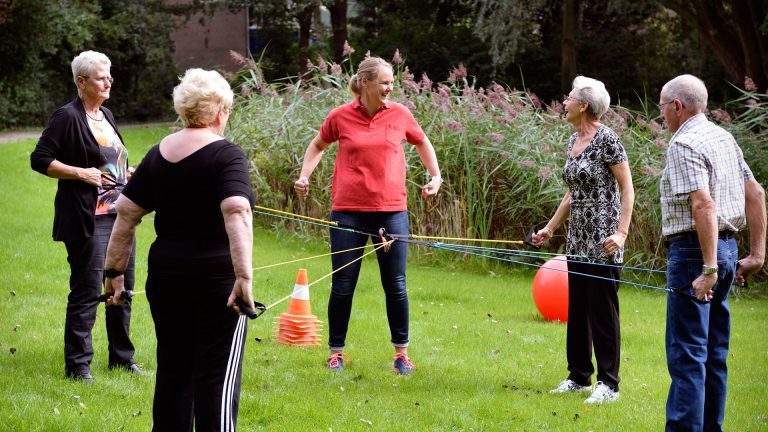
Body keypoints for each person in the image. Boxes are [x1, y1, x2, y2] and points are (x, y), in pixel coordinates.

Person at [104, 68, 255, 430]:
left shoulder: (159, 153)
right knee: (216, 375)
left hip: (167, 279)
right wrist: (244, 277)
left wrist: (113, 274)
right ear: (219, 111)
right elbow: (237, 210)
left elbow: (125, 215)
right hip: (217, 283)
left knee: (174, 370)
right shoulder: (227, 154)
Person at [293, 56, 442, 374]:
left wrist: (435, 176)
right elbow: (317, 145)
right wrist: (305, 175)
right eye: (384, 82)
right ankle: (336, 353)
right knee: (343, 283)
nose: (390, 87)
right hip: (348, 212)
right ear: (365, 83)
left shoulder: (400, 114)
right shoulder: (340, 117)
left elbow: (422, 141)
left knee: (396, 284)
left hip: (392, 212)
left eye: (391, 82)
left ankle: (401, 355)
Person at [658, 74, 766, 432]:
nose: (661, 115)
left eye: (662, 107)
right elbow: (756, 194)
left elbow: (703, 204)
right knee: (714, 355)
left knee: (688, 353)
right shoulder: (724, 137)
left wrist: (707, 268)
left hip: (696, 254)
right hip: (729, 250)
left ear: (677, 106)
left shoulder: (683, 143)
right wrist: (757, 254)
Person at [30, 50, 142, 382]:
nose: (109, 81)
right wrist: (80, 173)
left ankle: (122, 358)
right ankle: (78, 364)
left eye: (110, 75)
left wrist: (126, 171)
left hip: (119, 215)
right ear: (82, 82)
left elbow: (111, 159)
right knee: (88, 289)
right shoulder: (66, 117)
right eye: (101, 77)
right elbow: (40, 159)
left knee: (121, 287)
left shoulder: (105, 113)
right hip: (87, 218)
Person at [532, 76, 634, 404]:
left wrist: (621, 233)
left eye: (570, 98)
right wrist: (550, 228)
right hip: (577, 239)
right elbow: (571, 193)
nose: (564, 102)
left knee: (602, 312)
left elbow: (627, 188)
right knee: (576, 310)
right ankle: (578, 377)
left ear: (584, 105)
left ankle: (609, 385)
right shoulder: (573, 139)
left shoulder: (608, 139)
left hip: (604, 239)